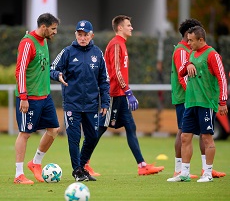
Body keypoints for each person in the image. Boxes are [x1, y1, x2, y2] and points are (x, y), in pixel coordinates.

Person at [85, 15, 164, 176]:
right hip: (114, 94)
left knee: (130, 127)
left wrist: (125, 92)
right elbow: (115, 71)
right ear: (120, 28)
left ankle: (142, 165)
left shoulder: (122, 44)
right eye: (129, 25)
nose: (131, 27)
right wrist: (128, 92)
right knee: (100, 128)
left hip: (120, 94)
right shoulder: (115, 44)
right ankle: (83, 163)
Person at [50, 20, 110, 182]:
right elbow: (52, 69)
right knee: (74, 138)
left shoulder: (98, 53)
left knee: (92, 137)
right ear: (76, 35)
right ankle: (77, 171)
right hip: (72, 104)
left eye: (86, 35)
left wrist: (105, 102)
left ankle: (82, 167)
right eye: (79, 34)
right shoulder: (67, 52)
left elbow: (104, 80)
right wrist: (58, 75)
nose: (82, 38)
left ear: (92, 36)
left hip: (91, 105)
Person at [167, 19, 226, 182]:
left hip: (205, 102)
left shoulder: (212, 54)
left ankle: (207, 173)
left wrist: (222, 101)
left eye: (191, 40)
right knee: (185, 136)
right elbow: (181, 72)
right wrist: (188, 66)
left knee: (206, 137)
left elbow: (222, 77)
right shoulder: (191, 53)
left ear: (201, 40)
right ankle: (184, 173)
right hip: (191, 102)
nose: (189, 42)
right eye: (188, 39)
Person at [14, 13, 60, 184]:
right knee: (25, 133)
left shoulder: (44, 41)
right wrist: (24, 97)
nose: (55, 32)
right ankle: (19, 175)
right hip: (30, 97)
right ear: (44, 27)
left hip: (44, 96)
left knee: (54, 129)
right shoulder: (27, 43)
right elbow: (20, 71)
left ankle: (35, 163)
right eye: (53, 29)